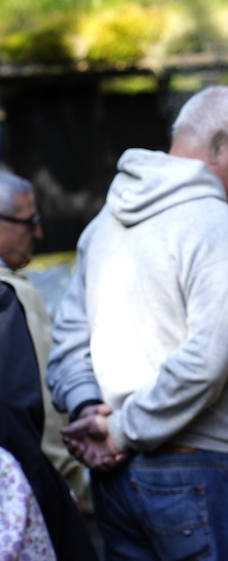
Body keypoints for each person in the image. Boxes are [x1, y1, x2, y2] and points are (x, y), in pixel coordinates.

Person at [46, 85, 228, 561]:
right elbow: (204, 364)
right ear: (218, 145)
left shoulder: (103, 225)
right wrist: (116, 431)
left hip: (117, 479)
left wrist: (89, 410)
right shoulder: (219, 227)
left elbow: (68, 343)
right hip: (207, 474)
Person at [0, 170, 89, 509]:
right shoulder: (14, 294)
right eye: (28, 221)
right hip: (28, 491)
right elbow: (43, 403)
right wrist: (69, 480)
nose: (38, 232)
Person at [0, 281, 99, 560]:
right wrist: (69, 475)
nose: (38, 234)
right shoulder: (9, 297)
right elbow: (17, 413)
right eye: (30, 231)